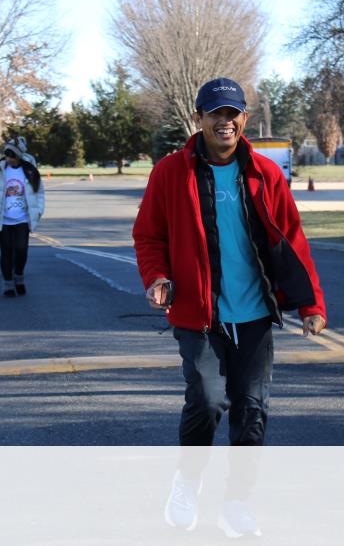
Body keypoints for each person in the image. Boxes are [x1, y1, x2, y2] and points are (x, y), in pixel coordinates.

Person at [132, 78, 327, 532]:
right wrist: (156, 276)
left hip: (254, 313)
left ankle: (236, 502)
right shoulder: (170, 173)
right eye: (215, 113)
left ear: (244, 119)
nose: (225, 121)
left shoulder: (265, 173)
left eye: (233, 113)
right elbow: (148, 235)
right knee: (206, 399)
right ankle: (188, 480)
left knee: (252, 409)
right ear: (198, 118)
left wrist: (311, 304)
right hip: (198, 314)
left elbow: (292, 240)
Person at [0, 137, 44, 297]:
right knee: (6, 252)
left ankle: (19, 276)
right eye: (6, 154)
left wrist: (39, 210)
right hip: (3, 219)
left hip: (23, 219)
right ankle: (8, 284)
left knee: (21, 250)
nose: (8, 158)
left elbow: (40, 192)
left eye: (11, 155)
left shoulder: (30, 170)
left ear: (18, 156)